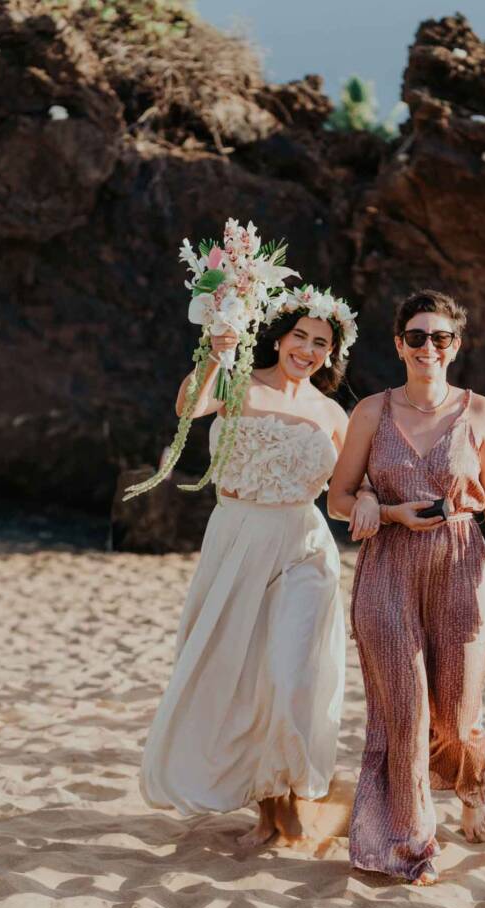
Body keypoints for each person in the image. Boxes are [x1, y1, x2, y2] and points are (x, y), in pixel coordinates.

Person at [140, 287, 378, 846]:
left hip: (303, 545)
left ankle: (289, 795)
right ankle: (263, 798)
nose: (309, 349)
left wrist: (367, 498)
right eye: (301, 336)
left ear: (330, 354)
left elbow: (351, 484)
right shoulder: (236, 382)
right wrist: (217, 351)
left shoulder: (331, 413)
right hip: (238, 538)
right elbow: (186, 407)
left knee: (295, 671)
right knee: (239, 670)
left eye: (322, 343)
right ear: (280, 336)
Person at [328, 289, 485, 885]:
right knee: (405, 710)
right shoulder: (371, 411)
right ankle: (413, 842)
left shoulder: (481, 412)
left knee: (459, 709)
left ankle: (471, 798)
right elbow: (338, 497)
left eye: (439, 338)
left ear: (455, 346)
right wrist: (380, 508)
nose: (427, 347)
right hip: (388, 567)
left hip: (461, 562)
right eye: (415, 337)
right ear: (398, 345)